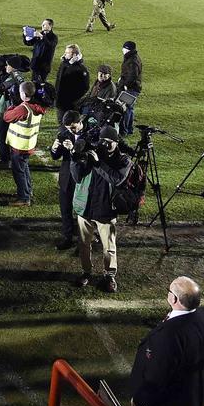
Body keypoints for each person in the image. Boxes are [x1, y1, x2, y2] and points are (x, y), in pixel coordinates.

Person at [130, 277, 204, 406]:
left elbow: (158, 376)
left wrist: (139, 400)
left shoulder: (169, 336)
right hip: (192, 396)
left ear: (174, 298)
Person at [71, 125, 133, 292]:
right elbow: (77, 177)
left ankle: (110, 275)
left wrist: (98, 163)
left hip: (106, 208)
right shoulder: (93, 153)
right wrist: (75, 158)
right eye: (102, 141)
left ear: (117, 142)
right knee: (84, 243)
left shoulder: (124, 160)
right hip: (86, 206)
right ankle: (86, 272)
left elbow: (116, 179)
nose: (105, 144)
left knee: (109, 246)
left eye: (109, 142)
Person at [4, 81, 48, 207]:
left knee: (19, 171)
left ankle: (24, 198)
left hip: (19, 145)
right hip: (28, 144)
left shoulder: (23, 109)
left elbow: (7, 117)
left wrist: (12, 106)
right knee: (24, 169)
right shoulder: (36, 105)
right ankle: (27, 191)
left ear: (23, 94)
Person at [51, 111, 84, 251]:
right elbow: (56, 156)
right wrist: (53, 149)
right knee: (65, 209)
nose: (69, 130)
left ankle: (84, 241)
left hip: (82, 178)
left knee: (83, 212)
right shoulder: (64, 133)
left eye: (72, 127)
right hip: (66, 177)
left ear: (80, 122)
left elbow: (88, 158)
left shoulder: (89, 135)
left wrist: (73, 150)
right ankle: (67, 237)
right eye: (67, 128)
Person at [0, 56, 28, 168]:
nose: (6, 66)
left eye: (8, 65)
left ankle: (5, 160)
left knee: (2, 136)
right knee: (3, 135)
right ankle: (6, 157)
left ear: (14, 67)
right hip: (6, 110)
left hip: (5, 111)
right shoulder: (13, 76)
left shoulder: (13, 78)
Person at [54, 44, 90, 125]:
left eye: (67, 53)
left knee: (67, 123)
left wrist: (73, 99)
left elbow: (85, 87)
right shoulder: (64, 64)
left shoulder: (81, 69)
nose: (64, 54)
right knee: (61, 121)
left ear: (74, 55)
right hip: (60, 100)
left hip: (70, 103)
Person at [117, 41, 142, 136]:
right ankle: (129, 129)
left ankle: (124, 131)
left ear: (127, 49)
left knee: (125, 109)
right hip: (133, 87)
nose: (122, 50)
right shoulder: (132, 57)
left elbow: (132, 76)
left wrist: (124, 85)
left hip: (130, 89)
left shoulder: (132, 61)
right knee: (130, 108)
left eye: (124, 48)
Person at [23, 18, 58, 82]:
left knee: (41, 84)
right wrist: (25, 35)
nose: (42, 25)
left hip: (44, 66)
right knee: (33, 82)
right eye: (42, 24)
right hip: (36, 63)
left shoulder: (54, 37)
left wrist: (42, 37)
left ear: (50, 26)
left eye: (44, 24)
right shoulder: (39, 34)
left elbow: (50, 45)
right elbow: (28, 43)